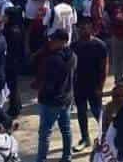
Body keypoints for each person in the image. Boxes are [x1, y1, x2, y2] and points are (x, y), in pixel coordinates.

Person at [34, 30, 75, 162]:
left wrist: (39, 87)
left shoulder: (52, 60)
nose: (51, 42)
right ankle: (67, 157)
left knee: (45, 133)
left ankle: (41, 159)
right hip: (67, 98)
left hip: (51, 101)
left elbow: (48, 83)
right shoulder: (73, 56)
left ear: (63, 42)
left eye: (54, 40)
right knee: (66, 129)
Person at [71, 18, 107, 152]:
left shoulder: (99, 45)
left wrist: (100, 87)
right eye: (80, 27)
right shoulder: (74, 46)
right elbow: (71, 68)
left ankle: (106, 138)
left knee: (98, 113)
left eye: (85, 27)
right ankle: (85, 138)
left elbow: (104, 68)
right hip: (79, 86)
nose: (82, 30)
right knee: (81, 113)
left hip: (94, 86)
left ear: (91, 28)